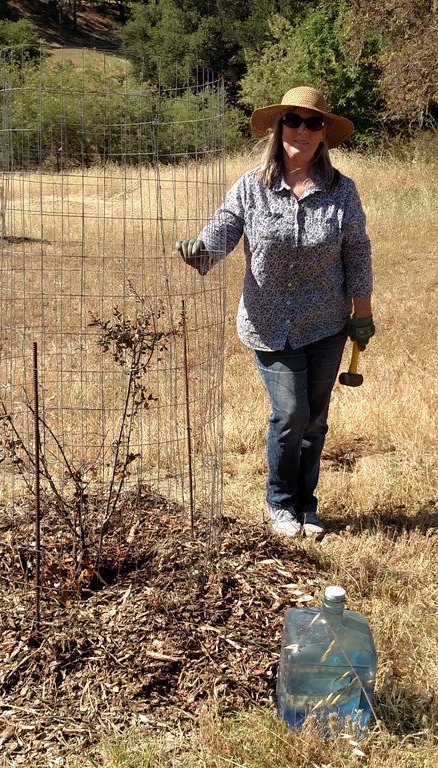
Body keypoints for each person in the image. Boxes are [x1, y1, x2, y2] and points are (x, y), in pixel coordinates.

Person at [175, 86, 374, 539]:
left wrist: (362, 314)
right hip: (268, 323)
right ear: (278, 128)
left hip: (326, 322)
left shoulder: (342, 192)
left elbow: (357, 251)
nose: (301, 130)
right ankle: (280, 503)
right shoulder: (252, 186)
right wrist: (201, 251)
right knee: (290, 413)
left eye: (313, 123)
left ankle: (308, 505)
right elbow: (223, 229)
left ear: (325, 135)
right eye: (293, 120)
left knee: (315, 419)